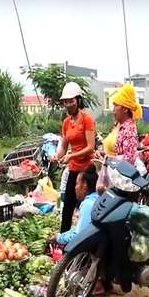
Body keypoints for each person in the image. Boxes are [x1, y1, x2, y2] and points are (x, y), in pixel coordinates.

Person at [56, 82, 96, 233]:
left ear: (78, 100)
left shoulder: (87, 119)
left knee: (87, 207)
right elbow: (64, 146)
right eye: (65, 102)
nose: (68, 105)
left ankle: (88, 236)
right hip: (73, 169)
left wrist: (71, 156)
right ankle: (63, 239)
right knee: (68, 206)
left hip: (87, 170)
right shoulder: (66, 122)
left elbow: (90, 147)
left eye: (71, 101)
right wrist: (57, 156)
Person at [98, 83, 142, 191]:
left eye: (116, 106)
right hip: (110, 178)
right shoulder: (118, 126)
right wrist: (103, 155)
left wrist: (109, 159)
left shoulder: (129, 130)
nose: (113, 110)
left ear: (125, 109)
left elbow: (129, 160)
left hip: (119, 184)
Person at [55, 165, 98, 245]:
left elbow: (79, 236)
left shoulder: (88, 204)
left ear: (84, 185)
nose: (75, 188)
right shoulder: (97, 197)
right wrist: (62, 235)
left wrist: (58, 238)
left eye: (77, 184)